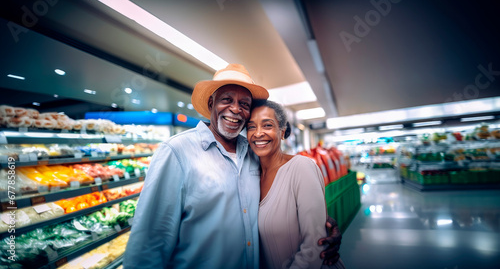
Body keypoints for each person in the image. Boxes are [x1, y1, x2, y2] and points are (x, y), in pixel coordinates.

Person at [123, 64, 341, 269]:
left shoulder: (252, 153)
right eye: (226, 99)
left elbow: (284, 200)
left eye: (244, 104)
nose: (235, 109)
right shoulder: (177, 152)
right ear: (211, 104)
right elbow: (148, 244)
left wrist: (323, 226)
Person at [247, 99, 345, 269]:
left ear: (282, 131)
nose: (258, 133)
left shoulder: (301, 167)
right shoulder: (250, 175)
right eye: (251, 126)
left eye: (267, 125)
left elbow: (315, 246)